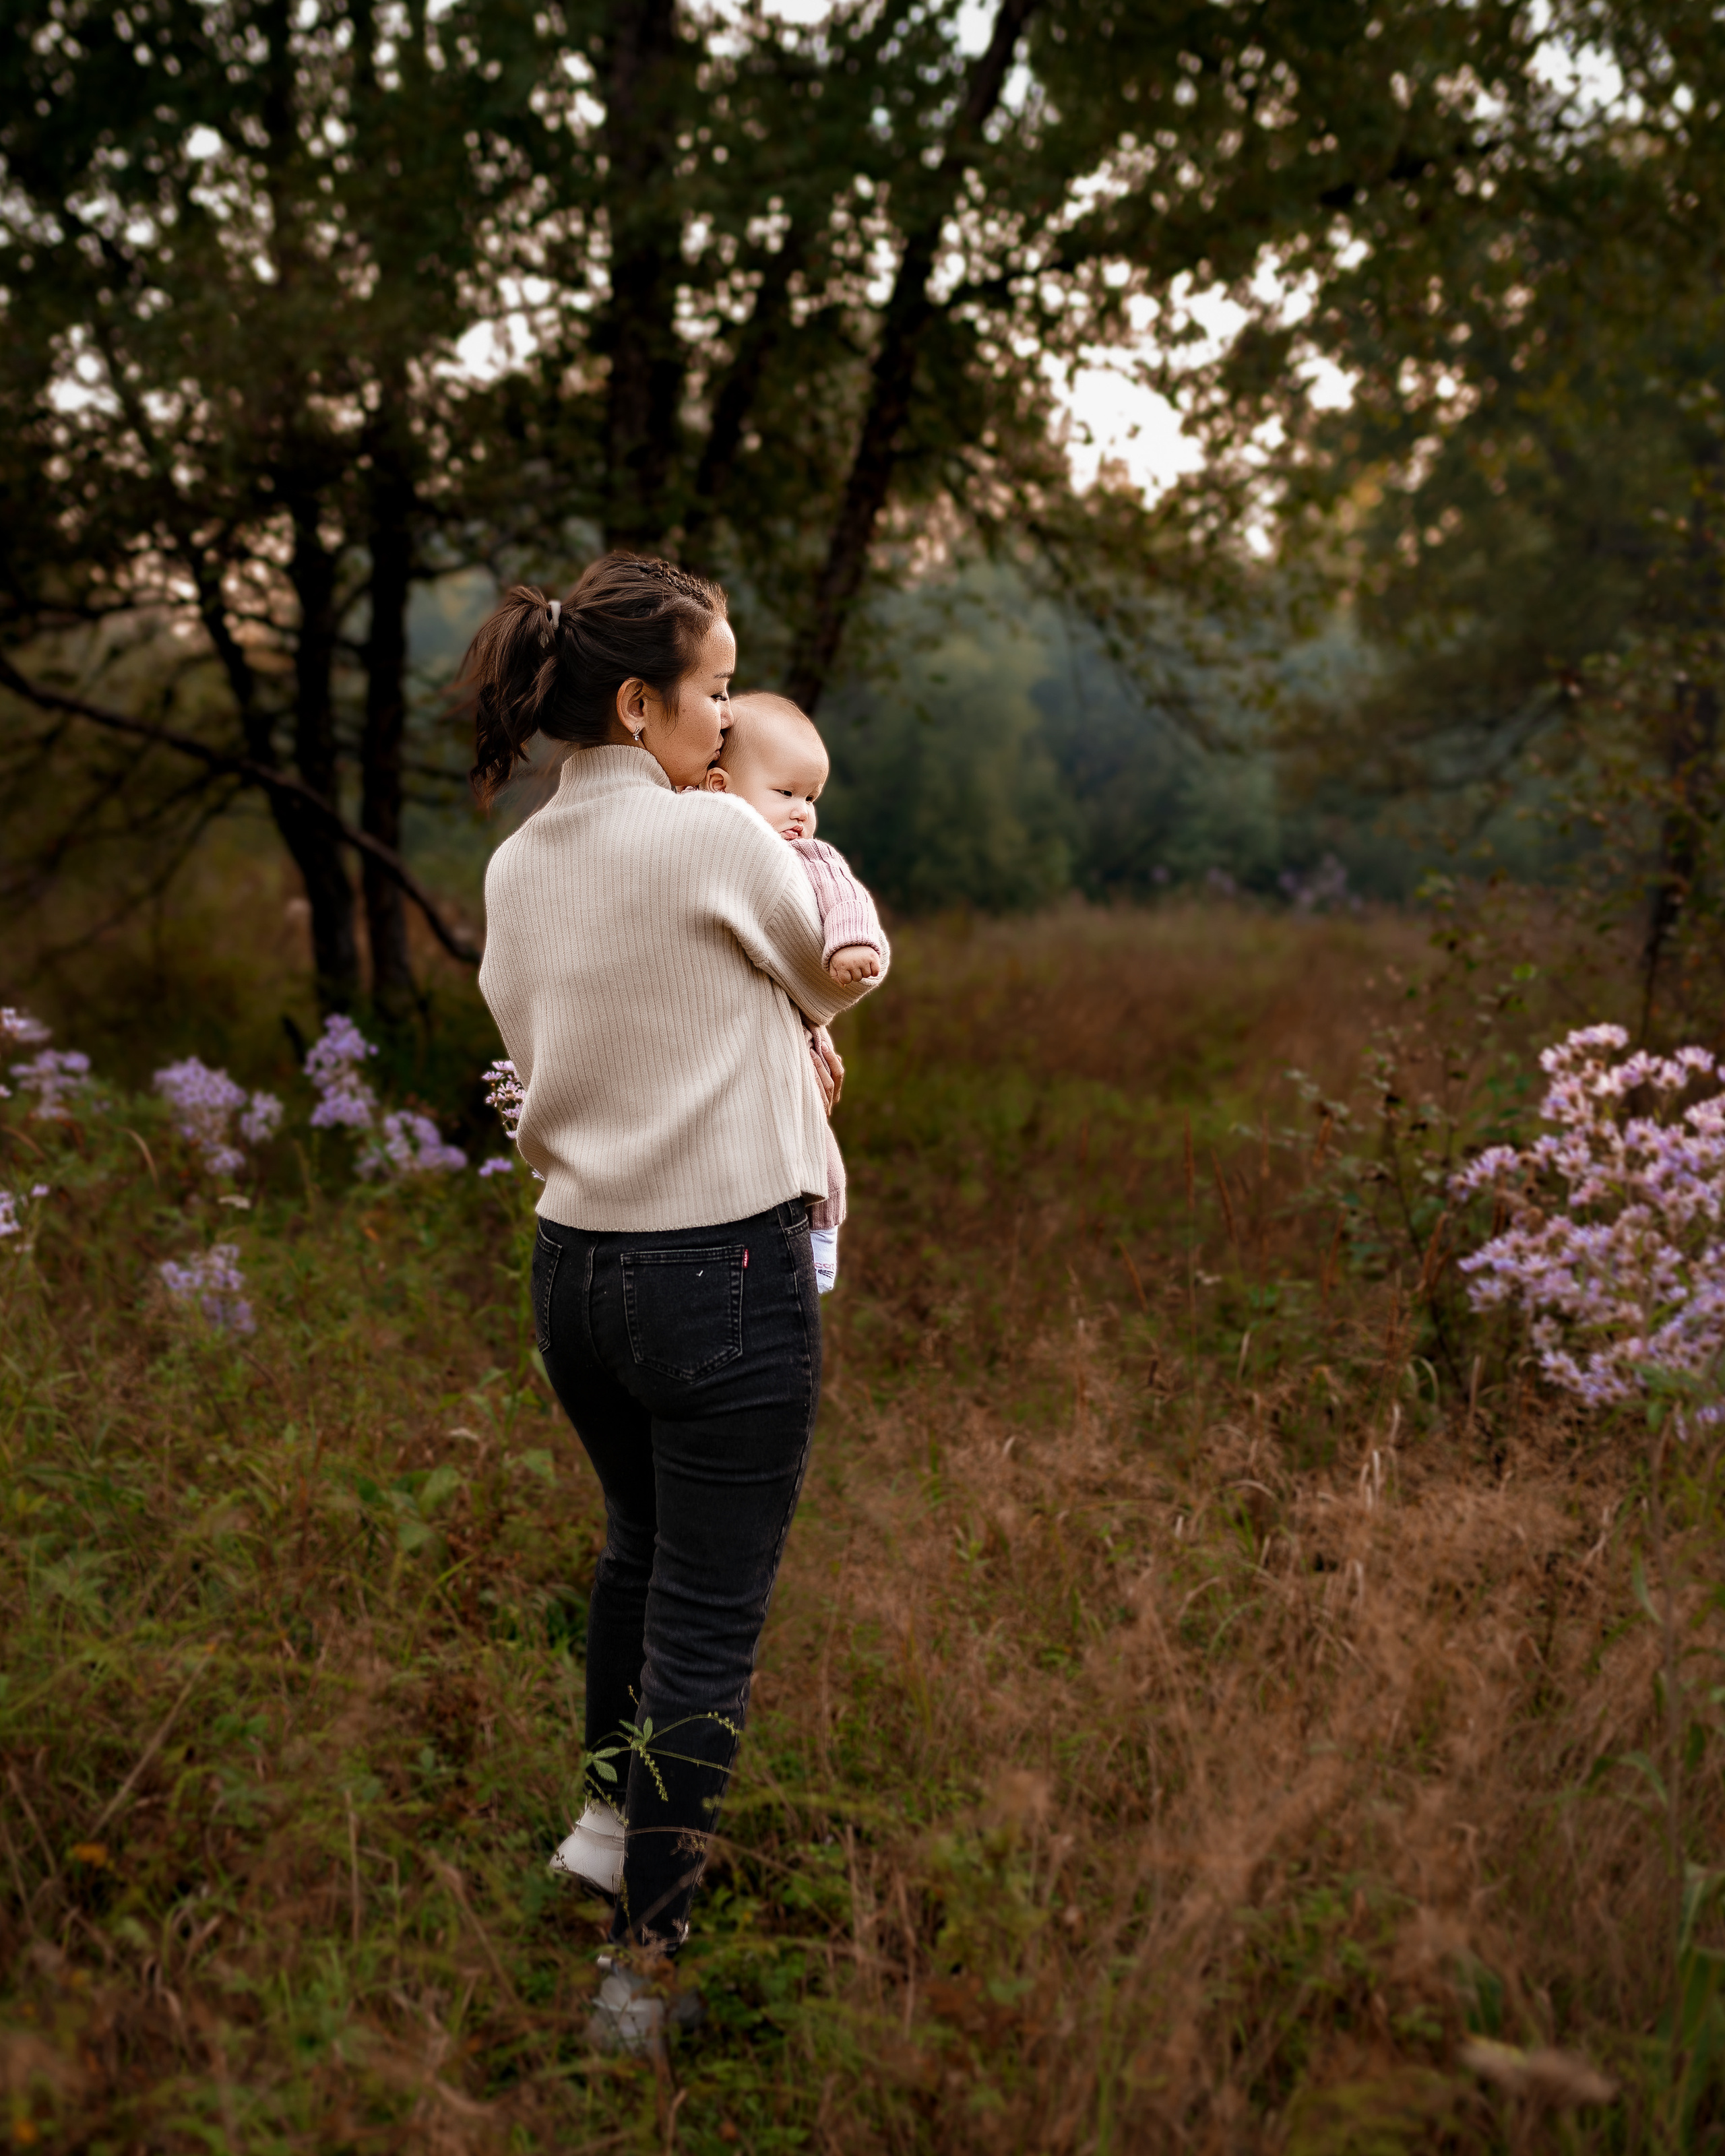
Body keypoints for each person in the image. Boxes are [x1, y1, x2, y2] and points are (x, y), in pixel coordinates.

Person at [463, 554, 887, 2046]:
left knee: (635, 1559)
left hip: (576, 1269)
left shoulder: (520, 863)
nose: (726, 721)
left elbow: (539, 1032)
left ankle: (599, 1830)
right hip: (722, 1267)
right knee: (707, 1613)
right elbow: (830, 980)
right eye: (711, 691)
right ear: (638, 703)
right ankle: (641, 1977)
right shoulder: (712, 841)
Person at [703, 691, 885, 1295]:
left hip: (796, 1028)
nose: (802, 812)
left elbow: (844, 897)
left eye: (812, 797)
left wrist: (853, 947)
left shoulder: (803, 855)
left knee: (816, 1143)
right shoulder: (695, 833)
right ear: (720, 787)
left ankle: (820, 1241)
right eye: (785, 793)